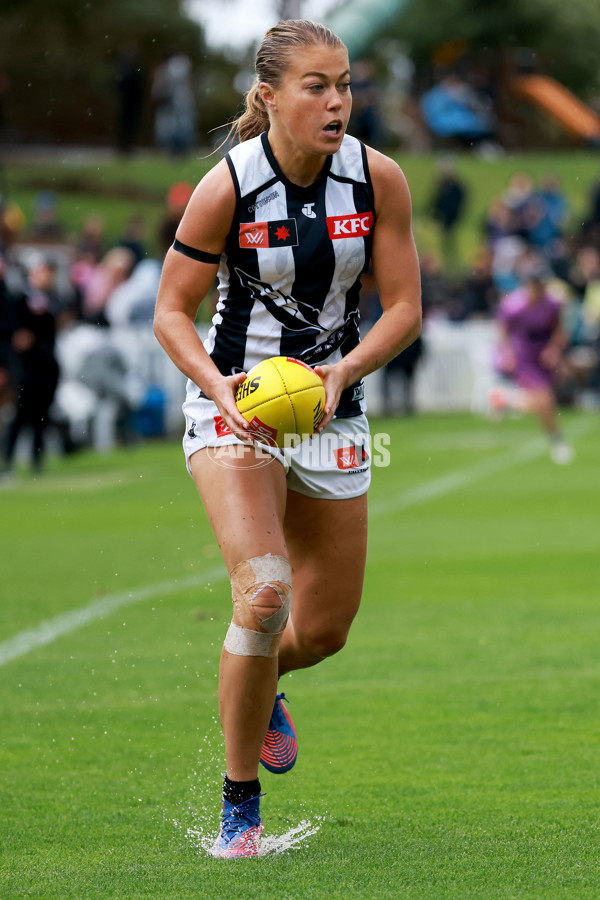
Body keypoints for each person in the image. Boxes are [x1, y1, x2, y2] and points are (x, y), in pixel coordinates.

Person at [153, 19, 421, 858]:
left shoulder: (378, 179)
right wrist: (215, 389)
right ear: (269, 96)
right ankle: (240, 808)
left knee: (325, 628)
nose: (337, 100)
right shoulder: (226, 187)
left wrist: (344, 371)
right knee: (264, 594)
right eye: (317, 85)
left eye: (343, 83)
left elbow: (405, 307)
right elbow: (172, 312)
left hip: (332, 413)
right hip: (236, 411)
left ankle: (263, 683)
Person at [491, 261, 573, 464]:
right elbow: (503, 332)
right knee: (545, 400)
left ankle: (506, 401)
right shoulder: (514, 307)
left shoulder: (552, 305)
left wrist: (554, 348)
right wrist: (507, 354)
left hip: (543, 360)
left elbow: (560, 331)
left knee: (544, 405)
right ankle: (557, 442)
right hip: (525, 359)